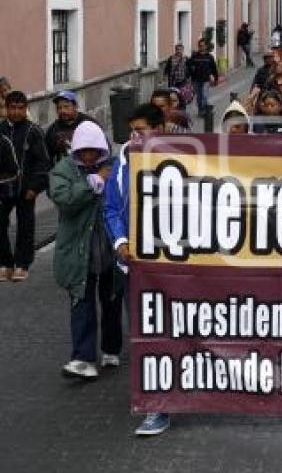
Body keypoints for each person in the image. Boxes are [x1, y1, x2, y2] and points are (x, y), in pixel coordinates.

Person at [103, 104, 170, 436]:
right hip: (135, 268)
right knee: (144, 335)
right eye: (131, 130)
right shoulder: (124, 161)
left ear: (160, 129)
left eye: (141, 130)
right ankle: (156, 407)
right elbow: (112, 207)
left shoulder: (186, 158)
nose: (134, 136)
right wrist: (119, 242)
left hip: (174, 268)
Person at [49, 121, 120, 380]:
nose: (89, 155)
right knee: (82, 303)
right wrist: (93, 183)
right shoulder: (63, 170)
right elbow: (65, 201)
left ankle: (111, 348)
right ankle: (82, 357)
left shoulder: (113, 166)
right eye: (84, 150)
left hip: (111, 248)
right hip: (79, 252)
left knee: (112, 300)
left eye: (94, 150)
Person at [0, 91, 50, 282]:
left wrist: (35, 187)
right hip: (3, 188)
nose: (16, 112)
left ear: (25, 109)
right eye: (12, 108)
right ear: (6, 108)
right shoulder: (1, 130)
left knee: (25, 226)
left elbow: (43, 162)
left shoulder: (33, 131)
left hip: (26, 188)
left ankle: (22, 264)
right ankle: (5, 263)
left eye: (20, 108)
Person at [45, 91, 97, 164]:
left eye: (66, 106)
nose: (62, 111)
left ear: (75, 106)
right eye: (59, 108)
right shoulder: (53, 129)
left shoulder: (89, 124)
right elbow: (47, 156)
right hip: (64, 172)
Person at [187, 39, 219, 117]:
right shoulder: (194, 56)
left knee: (204, 95)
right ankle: (200, 110)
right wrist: (190, 74)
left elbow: (214, 68)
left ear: (205, 46)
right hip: (196, 79)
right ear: (198, 46)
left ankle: (204, 110)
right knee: (199, 96)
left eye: (203, 45)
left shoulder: (209, 57)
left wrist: (215, 78)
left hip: (206, 80)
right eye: (200, 45)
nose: (201, 47)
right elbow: (189, 66)